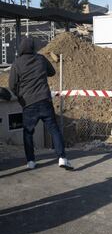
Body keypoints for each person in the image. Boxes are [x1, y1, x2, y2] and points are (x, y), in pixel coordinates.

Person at [8, 38, 73, 170]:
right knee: (54, 129)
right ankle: (62, 158)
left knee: (28, 133)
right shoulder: (41, 59)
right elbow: (52, 72)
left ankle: (31, 161)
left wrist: (21, 98)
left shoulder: (17, 63)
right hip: (44, 101)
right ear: (33, 48)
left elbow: (11, 85)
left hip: (28, 104)